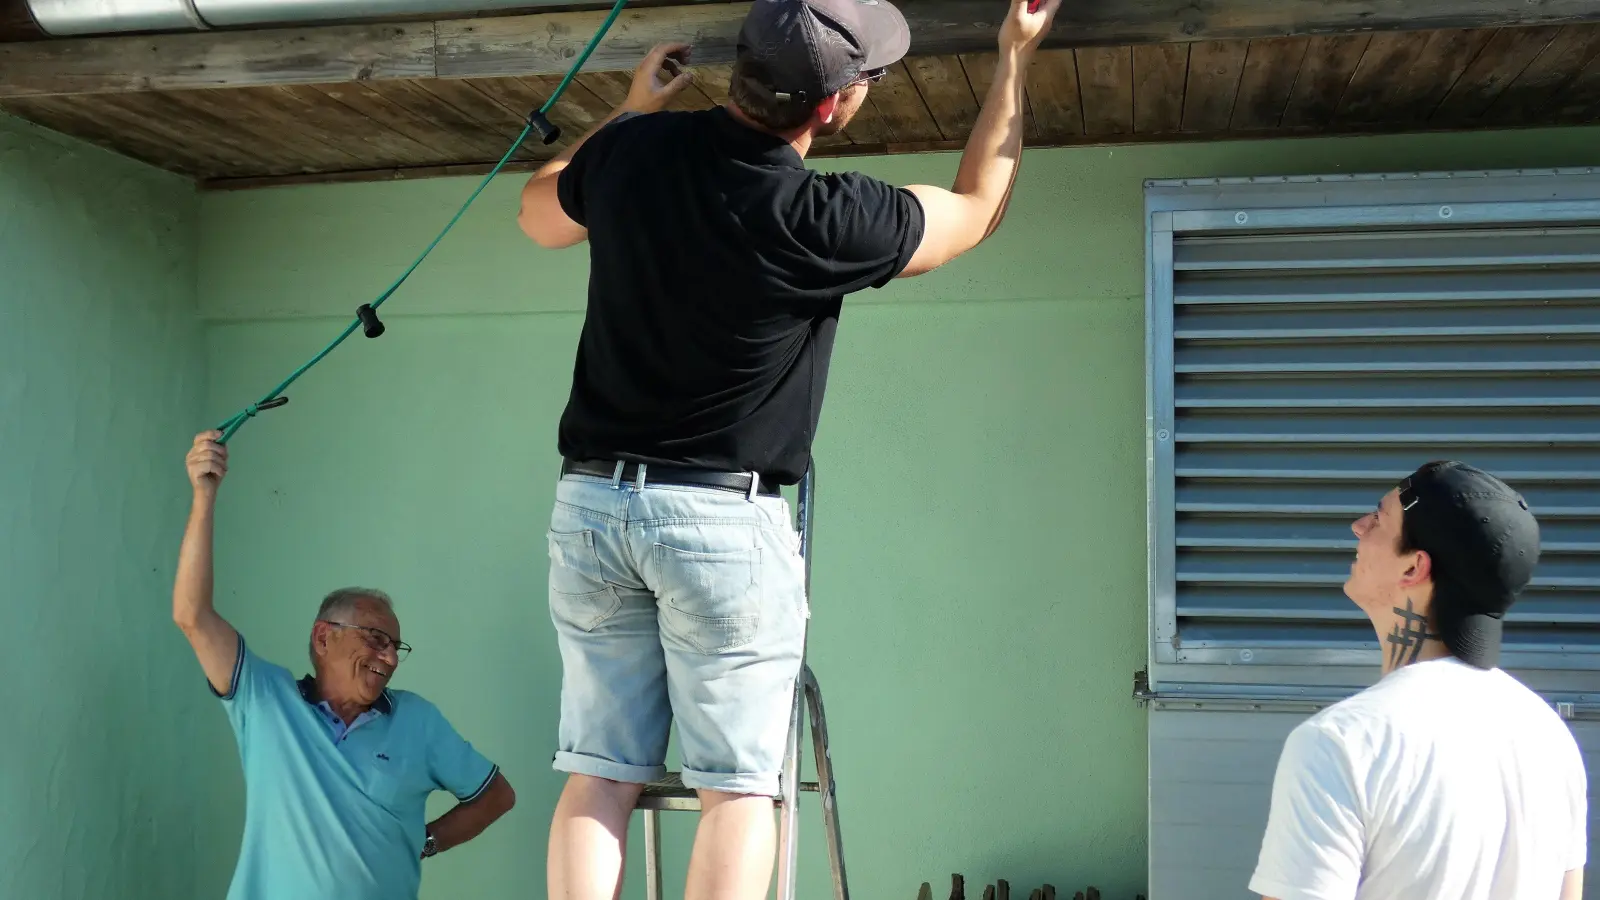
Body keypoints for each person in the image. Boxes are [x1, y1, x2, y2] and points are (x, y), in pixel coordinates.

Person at [514, 0, 1062, 896]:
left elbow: (539, 214)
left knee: (600, 775)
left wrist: (631, 107)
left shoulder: (635, 151)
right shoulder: (821, 215)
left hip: (593, 506)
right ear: (834, 105)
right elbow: (975, 209)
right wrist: (1013, 59)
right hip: (720, 522)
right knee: (736, 790)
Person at [173, 430, 516, 900]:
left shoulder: (417, 720)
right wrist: (204, 494)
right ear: (323, 637)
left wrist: (424, 842)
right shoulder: (265, 698)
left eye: (396, 647)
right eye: (376, 640)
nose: (389, 657)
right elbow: (191, 615)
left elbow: (497, 796)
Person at [1250, 460, 1587, 900]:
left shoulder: (1340, 743)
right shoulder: (1548, 737)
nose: (1358, 527)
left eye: (1379, 518)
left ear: (1413, 568)